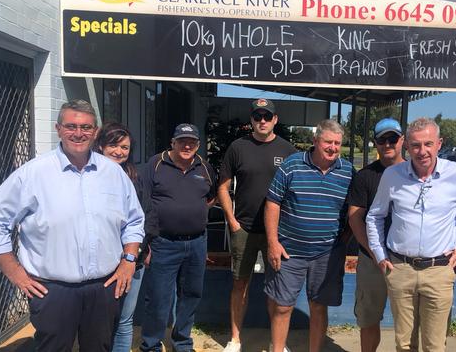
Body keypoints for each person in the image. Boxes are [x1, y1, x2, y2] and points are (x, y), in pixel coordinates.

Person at [0, 99, 144, 351]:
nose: (79, 133)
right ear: (58, 129)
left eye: (86, 127)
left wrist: (129, 261)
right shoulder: (33, 173)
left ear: (95, 132)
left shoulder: (113, 173)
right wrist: (14, 272)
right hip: (52, 292)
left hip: (104, 288)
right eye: (71, 126)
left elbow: (134, 219)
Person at [366, 117, 456, 352]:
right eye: (416, 145)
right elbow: (375, 215)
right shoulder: (392, 175)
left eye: (428, 144)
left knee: (434, 345)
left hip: (439, 271)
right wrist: (379, 254)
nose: (422, 151)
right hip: (400, 269)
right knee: (404, 343)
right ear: (407, 146)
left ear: (439, 143)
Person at [265, 119, 353, 352]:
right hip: (289, 252)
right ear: (315, 141)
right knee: (283, 306)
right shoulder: (292, 165)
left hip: (326, 255)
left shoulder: (348, 172)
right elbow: (272, 202)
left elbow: (355, 210)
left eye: (337, 143)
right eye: (328, 142)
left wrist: (344, 238)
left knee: (318, 306)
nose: (333, 147)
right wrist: (273, 242)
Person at [218, 99, 297, 352]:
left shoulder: (288, 150)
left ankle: (277, 343)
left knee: (277, 289)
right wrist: (232, 221)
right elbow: (223, 186)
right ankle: (235, 339)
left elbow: (296, 190)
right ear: (251, 120)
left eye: (267, 116)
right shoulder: (237, 147)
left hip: (278, 233)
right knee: (240, 283)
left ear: (275, 119)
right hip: (245, 229)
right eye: (257, 116)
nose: (262, 120)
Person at [140, 123, 217, 352]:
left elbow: (211, 198)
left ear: (198, 145)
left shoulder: (204, 167)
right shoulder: (155, 165)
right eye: (182, 141)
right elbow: (143, 204)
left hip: (196, 243)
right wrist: (147, 243)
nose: (186, 145)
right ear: (172, 143)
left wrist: (193, 213)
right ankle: (151, 345)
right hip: (163, 243)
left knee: (191, 296)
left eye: (191, 142)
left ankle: (182, 343)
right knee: (158, 299)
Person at [346, 118, 405, 352]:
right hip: (372, 261)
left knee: (409, 321)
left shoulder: (415, 173)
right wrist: (375, 252)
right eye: (382, 139)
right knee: (369, 319)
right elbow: (354, 218)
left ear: (402, 141)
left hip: (406, 261)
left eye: (393, 138)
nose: (388, 143)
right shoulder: (365, 176)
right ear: (375, 143)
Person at [94, 122, 149, 352]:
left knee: (125, 320)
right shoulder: (89, 176)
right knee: (100, 323)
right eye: (113, 145)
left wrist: (146, 248)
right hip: (102, 264)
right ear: (101, 146)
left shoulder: (135, 176)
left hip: (132, 260)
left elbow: (146, 214)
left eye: (125, 147)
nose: (119, 151)